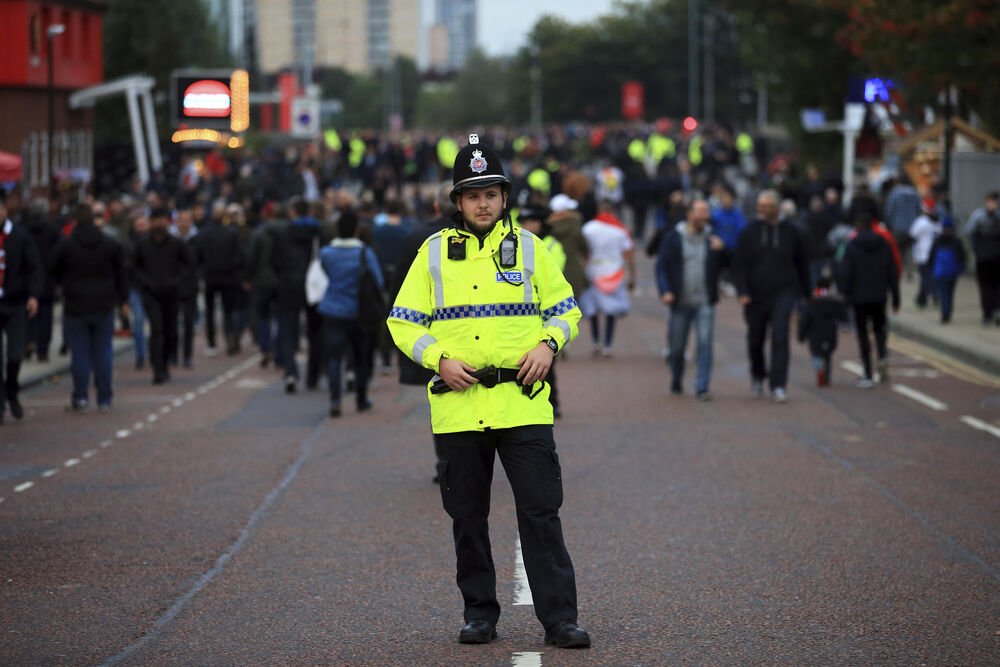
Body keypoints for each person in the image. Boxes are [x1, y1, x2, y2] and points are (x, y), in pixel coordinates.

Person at [387, 134, 590, 649]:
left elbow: (566, 310)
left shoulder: (532, 249)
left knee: (541, 513)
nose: (483, 203)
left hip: (521, 402)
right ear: (457, 201)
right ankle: (480, 613)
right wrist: (439, 359)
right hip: (460, 406)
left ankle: (559, 619)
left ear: (505, 198)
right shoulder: (432, 254)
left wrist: (548, 344)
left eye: (491, 193)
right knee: (468, 519)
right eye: (472, 194)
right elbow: (402, 322)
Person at [49, 203, 128, 412]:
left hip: (75, 304)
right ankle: (104, 398)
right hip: (103, 304)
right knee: (103, 353)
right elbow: (121, 273)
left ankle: (81, 396)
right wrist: (123, 300)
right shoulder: (109, 243)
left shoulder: (66, 245)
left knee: (80, 353)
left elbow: (53, 269)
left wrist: (63, 285)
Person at [733, 189, 811, 403]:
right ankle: (758, 376)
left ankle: (778, 384)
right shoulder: (749, 232)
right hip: (755, 296)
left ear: (776, 208)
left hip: (784, 293)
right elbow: (739, 265)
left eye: (765, 206)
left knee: (780, 337)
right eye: (759, 205)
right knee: (755, 340)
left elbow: (801, 264)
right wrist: (742, 291)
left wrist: (807, 295)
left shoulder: (792, 232)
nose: (760, 209)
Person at [656, 199, 728, 400]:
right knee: (677, 347)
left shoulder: (712, 239)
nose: (703, 217)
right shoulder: (674, 238)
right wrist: (666, 290)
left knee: (705, 343)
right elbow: (662, 266)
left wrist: (723, 250)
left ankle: (702, 386)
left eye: (706, 213)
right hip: (680, 301)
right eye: (700, 212)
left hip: (704, 301)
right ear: (689, 215)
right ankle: (677, 377)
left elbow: (730, 264)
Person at [317, 210, 383, 417]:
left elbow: (326, 274)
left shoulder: (326, 253)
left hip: (333, 310)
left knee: (335, 358)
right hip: (359, 312)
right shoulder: (365, 253)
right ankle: (361, 399)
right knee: (360, 358)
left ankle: (335, 400)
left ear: (337, 230)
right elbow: (378, 281)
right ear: (357, 230)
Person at [273, 198, 331, 393]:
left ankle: (291, 372)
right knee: (316, 330)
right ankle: (313, 376)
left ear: (293, 212)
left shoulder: (282, 233)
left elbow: (276, 260)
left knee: (288, 330)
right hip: (314, 285)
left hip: (289, 284)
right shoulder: (319, 232)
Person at [130, 207, 192, 385]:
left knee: (170, 331)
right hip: (151, 294)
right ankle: (158, 369)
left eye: (162, 219)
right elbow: (133, 267)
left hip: (171, 293)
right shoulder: (143, 245)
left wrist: (176, 281)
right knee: (157, 330)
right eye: (156, 220)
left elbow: (188, 264)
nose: (159, 223)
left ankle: (165, 363)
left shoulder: (176, 243)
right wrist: (145, 283)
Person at [840, 207, 900, 388]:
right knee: (880, 329)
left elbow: (845, 273)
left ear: (858, 226)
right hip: (879, 295)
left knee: (863, 335)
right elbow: (892, 272)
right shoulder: (884, 243)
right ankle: (882, 356)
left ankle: (866, 373)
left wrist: (845, 295)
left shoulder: (851, 245)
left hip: (859, 297)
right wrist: (896, 297)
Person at [517, 203, 567, 416]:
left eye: (531, 222)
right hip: (525, 314)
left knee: (547, 363)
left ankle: (552, 402)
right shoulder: (518, 243)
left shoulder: (550, 245)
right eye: (524, 222)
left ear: (540, 223)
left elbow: (553, 276)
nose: (527, 226)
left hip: (545, 312)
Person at [0, 189, 42, 423]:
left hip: (15, 303)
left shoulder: (20, 236)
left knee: (14, 355)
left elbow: (34, 267)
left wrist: (33, 295)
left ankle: (12, 391)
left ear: (4, 210)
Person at [579, 200, 635, 357]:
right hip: (614, 273)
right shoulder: (620, 231)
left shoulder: (588, 229)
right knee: (611, 310)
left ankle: (596, 341)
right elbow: (629, 254)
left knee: (594, 310)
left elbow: (583, 251)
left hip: (593, 272)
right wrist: (632, 276)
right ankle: (608, 345)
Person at [194, 203, 245, 356]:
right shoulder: (232, 232)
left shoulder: (204, 233)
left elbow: (198, 256)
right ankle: (230, 339)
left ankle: (212, 343)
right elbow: (240, 256)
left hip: (210, 277)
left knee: (210, 312)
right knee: (228, 311)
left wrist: (202, 271)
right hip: (228, 277)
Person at [796, 276, 847, 387]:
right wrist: (845, 322)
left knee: (816, 354)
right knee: (827, 356)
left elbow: (805, 320)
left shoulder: (811, 301)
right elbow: (843, 315)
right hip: (830, 332)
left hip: (814, 334)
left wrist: (801, 335)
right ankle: (827, 376)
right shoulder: (834, 300)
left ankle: (819, 370)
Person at [964, 191, 1000, 325]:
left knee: (987, 286)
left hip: (984, 256)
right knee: (993, 286)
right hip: (989, 256)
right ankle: (992, 312)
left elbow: (968, 230)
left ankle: (989, 314)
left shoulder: (979, 215)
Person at [170, 209, 199, 368]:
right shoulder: (170, 239)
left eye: (188, 220)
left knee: (189, 322)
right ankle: (173, 354)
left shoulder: (197, 238)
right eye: (182, 220)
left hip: (190, 286)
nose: (185, 223)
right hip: (173, 286)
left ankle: (187, 356)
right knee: (172, 322)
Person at [928, 218, 967, 324]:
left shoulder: (938, 240)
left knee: (943, 293)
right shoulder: (956, 241)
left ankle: (945, 313)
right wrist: (962, 269)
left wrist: (931, 268)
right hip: (952, 272)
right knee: (950, 293)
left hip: (940, 272)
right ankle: (948, 311)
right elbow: (962, 256)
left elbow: (931, 257)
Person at [908, 197, 941, 309]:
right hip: (934, 254)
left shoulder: (920, 222)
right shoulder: (936, 222)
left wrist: (913, 255)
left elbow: (912, 236)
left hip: (923, 254)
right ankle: (925, 297)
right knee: (929, 277)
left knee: (925, 278)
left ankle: (927, 297)